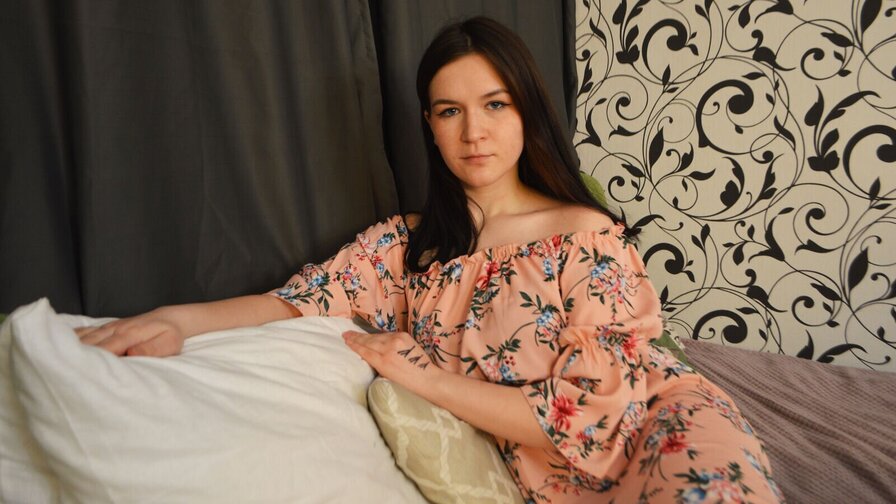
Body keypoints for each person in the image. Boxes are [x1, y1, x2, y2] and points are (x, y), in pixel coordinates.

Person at [77, 16, 783, 503]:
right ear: (429, 125)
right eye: (449, 111)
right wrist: (176, 320)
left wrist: (426, 378)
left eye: (495, 105)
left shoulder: (586, 235)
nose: (474, 132)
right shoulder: (407, 249)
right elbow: (292, 302)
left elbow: (588, 416)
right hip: (549, 482)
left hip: (663, 430)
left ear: (527, 111)